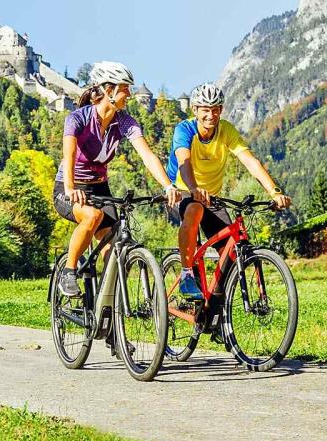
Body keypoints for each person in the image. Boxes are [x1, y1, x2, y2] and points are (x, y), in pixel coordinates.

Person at [53, 61, 181, 297]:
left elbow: (147, 155)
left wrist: (167, 185)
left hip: (100, 188)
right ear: (108, 90)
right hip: (69, 186)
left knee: (113, 247)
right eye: (125, 88)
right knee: (92, 216)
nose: (129, 94)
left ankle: (109, 309)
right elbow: (68, 155)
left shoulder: (124, 122)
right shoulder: (78, 118)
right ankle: (68, 272)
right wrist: (71, 188)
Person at [166, 83, 291, 300]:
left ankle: (216, 310)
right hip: (182, 191)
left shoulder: (226, 130)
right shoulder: (184, 129)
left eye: (215, 109)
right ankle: (187, 276)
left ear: (221, 110)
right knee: (194, 209)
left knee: (231, 253)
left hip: (211, 197)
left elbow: (250, 161)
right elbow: (184, 161)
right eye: (205, 109)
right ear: (194, 109)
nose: (210, 115)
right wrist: (194, 188)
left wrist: (275, 191)